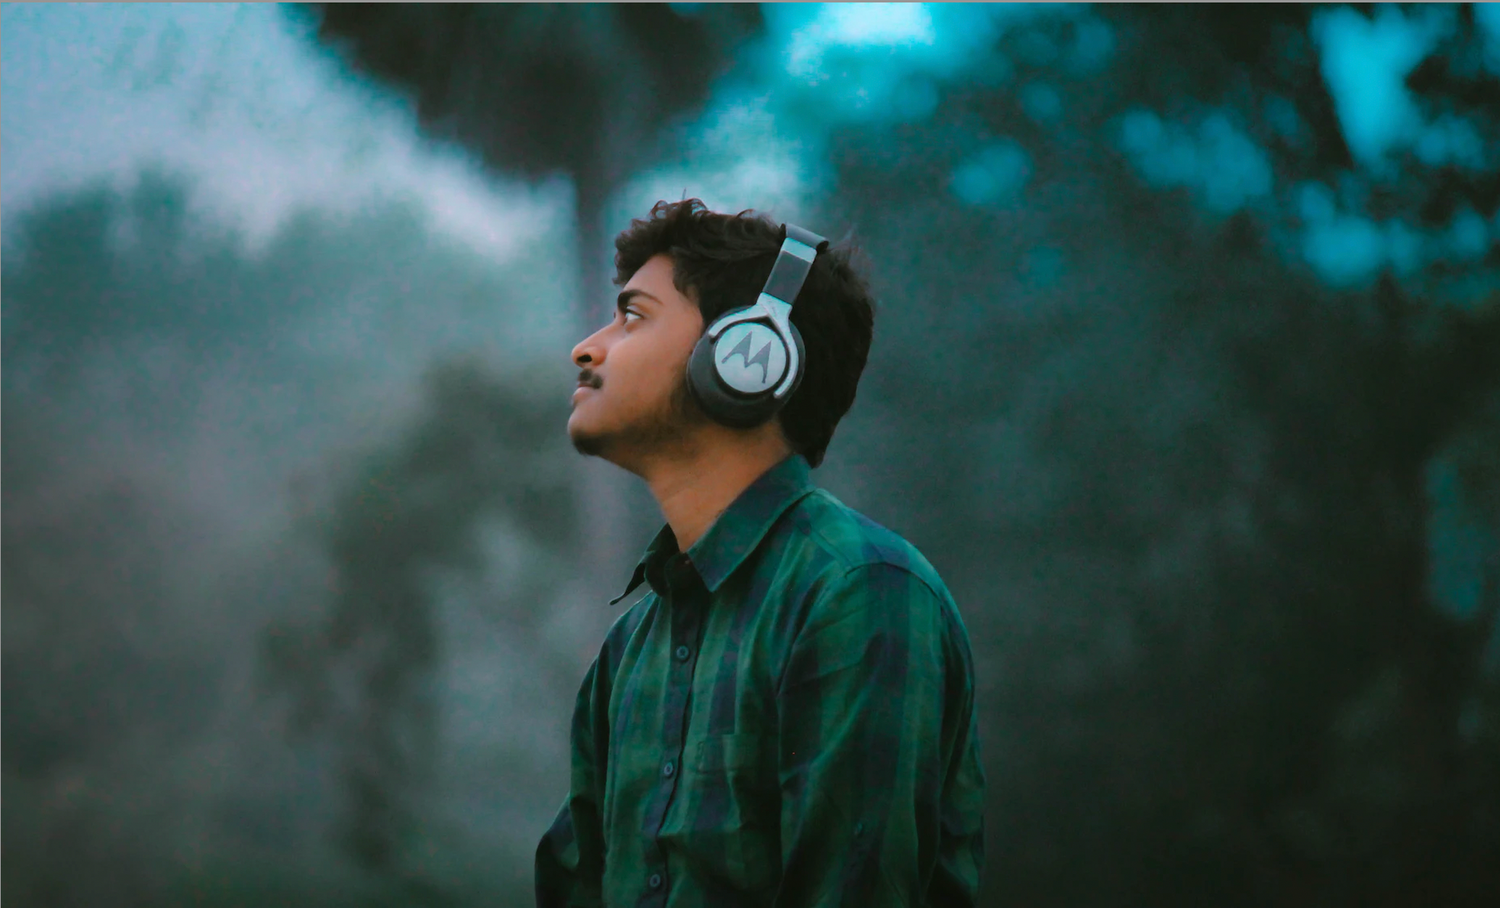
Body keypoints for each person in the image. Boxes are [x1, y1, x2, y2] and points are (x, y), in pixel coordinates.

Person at [535, 199, 984, 907]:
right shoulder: (631, 648)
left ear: (749, 355)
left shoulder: (858, 591)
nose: (587, 349)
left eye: (634, 316)